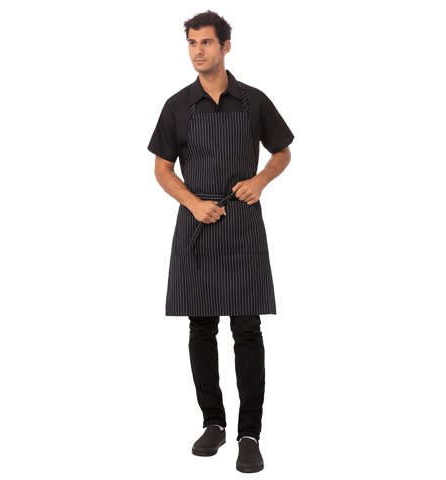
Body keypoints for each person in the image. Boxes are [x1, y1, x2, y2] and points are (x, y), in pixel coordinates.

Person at [147, 10, 294, 474]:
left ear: (226, 46)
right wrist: (193, 203)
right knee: (201, 327)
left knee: (247, 330)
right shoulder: (177, 106)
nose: (197, 51)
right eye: (192, 43)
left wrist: (261, 181)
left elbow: (283, 151)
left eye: (206, 42)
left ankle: (250, 434)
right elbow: (162, 169)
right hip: (197, 225)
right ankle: (213, 423)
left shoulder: (253, 102)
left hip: (243, 224)